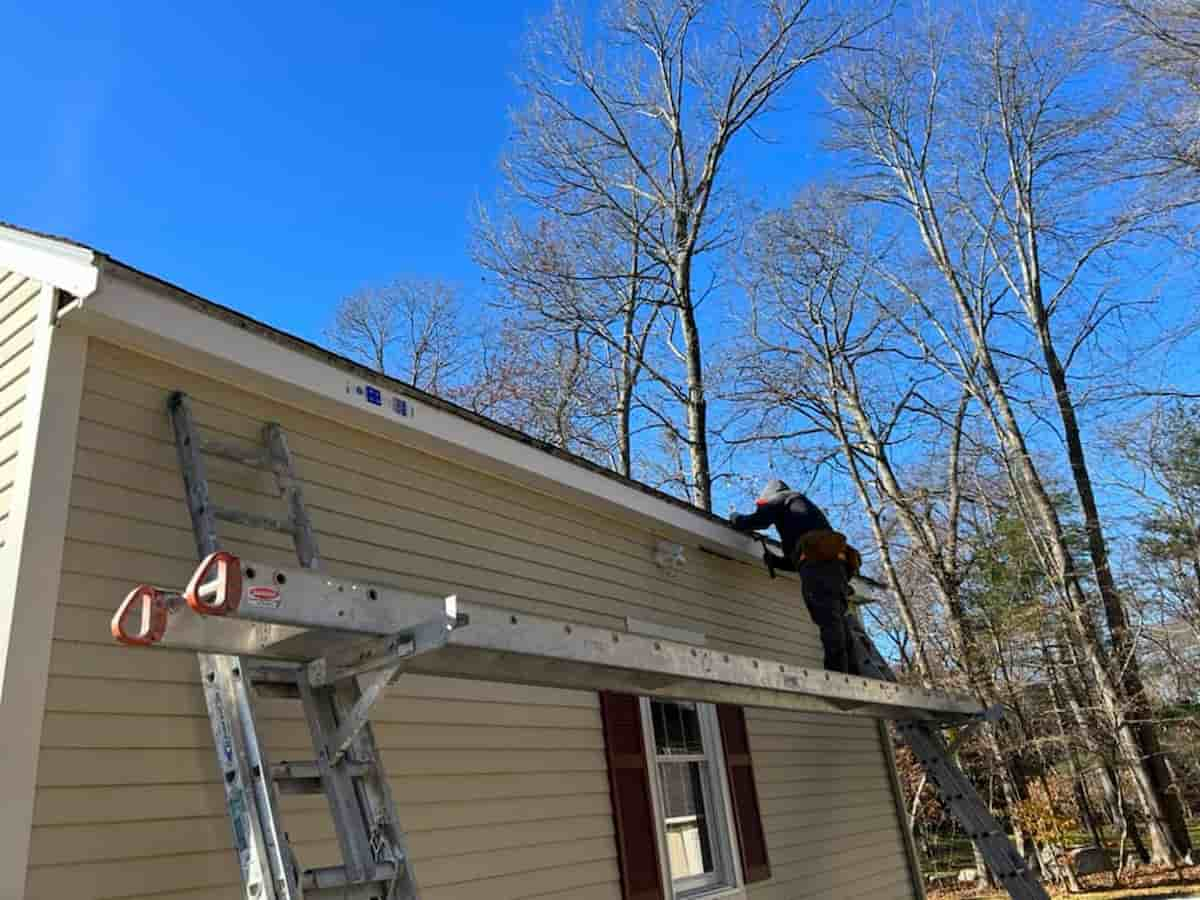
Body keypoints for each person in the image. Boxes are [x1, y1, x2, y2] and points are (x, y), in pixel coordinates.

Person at [729, 479, 861, 675]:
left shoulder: (781, 498)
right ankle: (852, 673)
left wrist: (736, 518)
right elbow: (798, 561)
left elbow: (758, 521)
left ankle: (838, 676)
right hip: (837, 567)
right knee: (837, 618)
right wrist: (777, 561)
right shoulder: (803, 514)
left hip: (819, 566)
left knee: (828, 619)